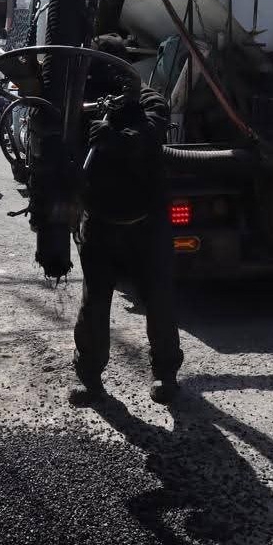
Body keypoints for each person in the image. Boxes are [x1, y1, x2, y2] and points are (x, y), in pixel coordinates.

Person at [69, 86, 184, 407]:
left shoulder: (151, 101)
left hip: (146, 224)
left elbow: (150, 131)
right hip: (100, 222)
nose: (113, 87)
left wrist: (115, 134)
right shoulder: (86, 103)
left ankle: (166, 375)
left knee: (159, 299)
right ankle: (89, 378)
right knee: (94, 302)